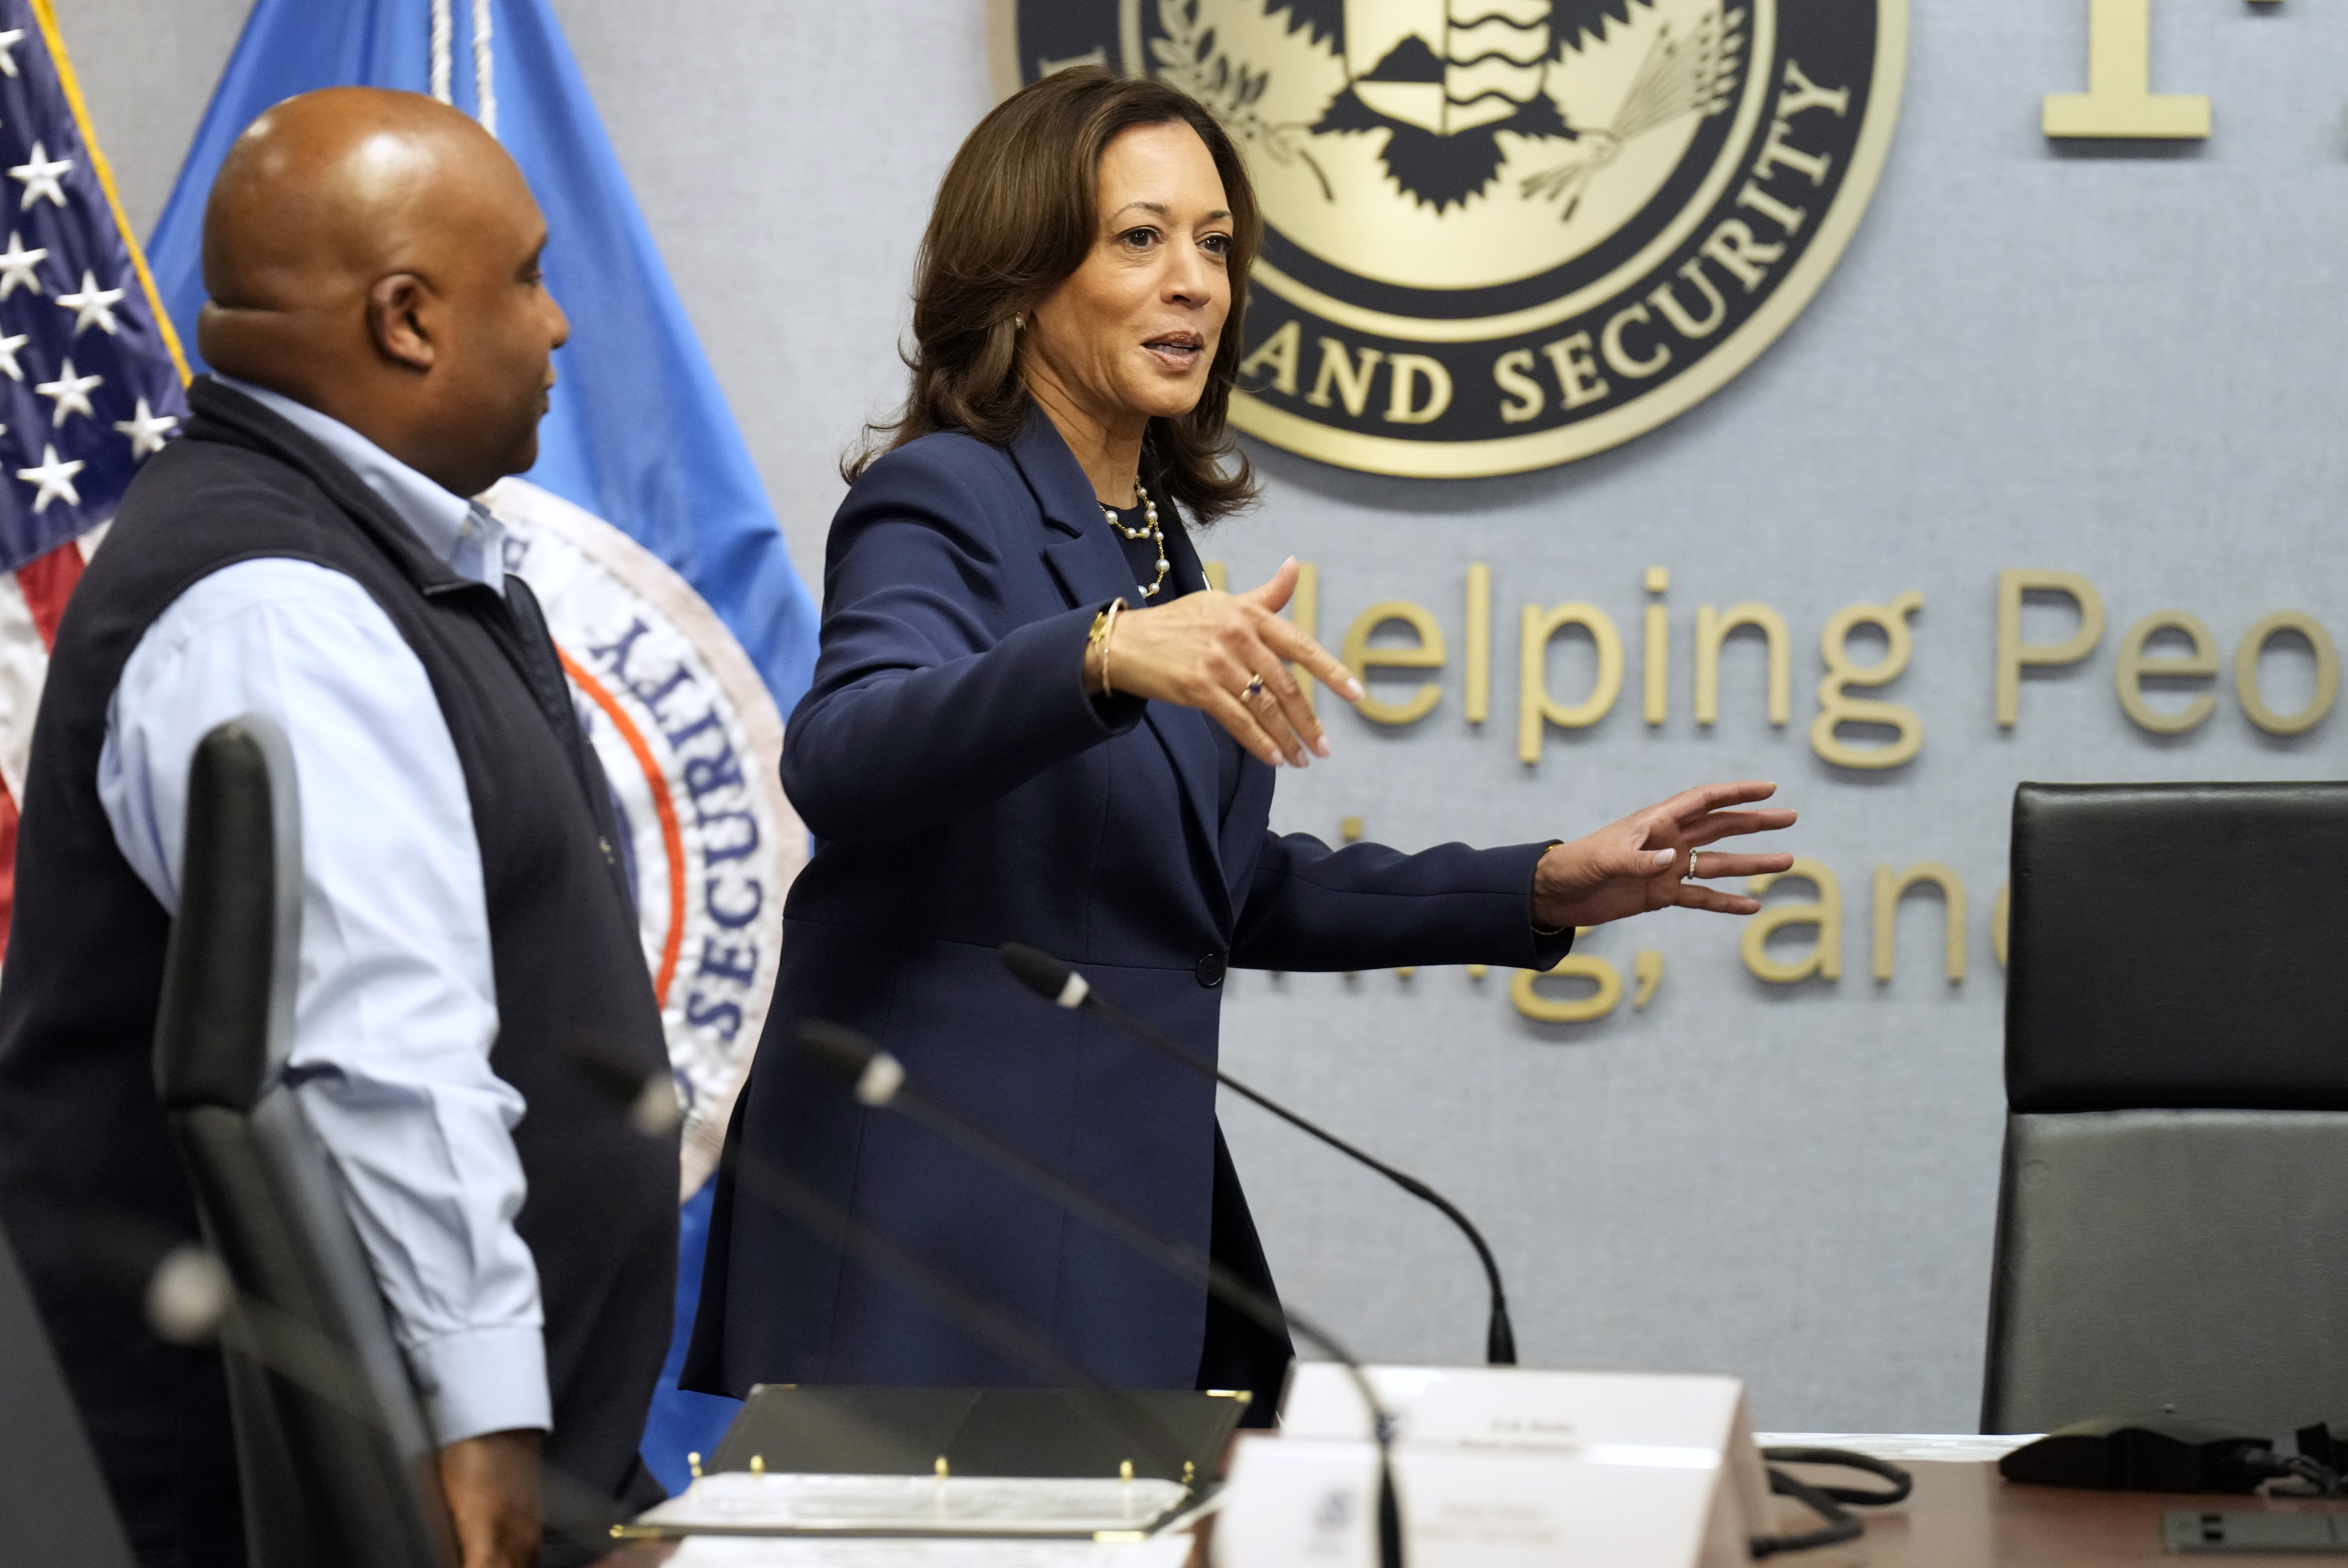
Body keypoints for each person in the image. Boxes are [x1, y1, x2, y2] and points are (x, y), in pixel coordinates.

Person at [684, 67, 1797, 1418]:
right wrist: (1093, 653)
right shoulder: (948, 497)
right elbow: (843, 756)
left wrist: (1540, 885)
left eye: (1215, 245)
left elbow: (1216, 890)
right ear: (1025, 277)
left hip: (1103, 1225)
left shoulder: (1152, 545)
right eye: (1139, 239)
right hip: (939, 1242)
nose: (1195, 283)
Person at [0, 90, 676, 1567]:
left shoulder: (366, 553)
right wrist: (484, 1421)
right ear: (408, 320)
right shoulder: (281, 605)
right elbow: (380, 1055)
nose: (558, 325)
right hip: (359, 1495)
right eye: (528, 278)